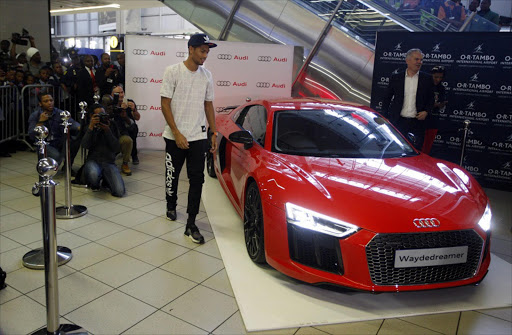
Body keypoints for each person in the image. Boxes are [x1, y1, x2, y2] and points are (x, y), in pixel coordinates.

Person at [160, 33, 218, 244]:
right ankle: (171, 204)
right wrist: (176, 133)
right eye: (202, 51)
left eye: (207, 52)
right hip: (174, 136)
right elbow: (165, 103)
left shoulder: (207, 75)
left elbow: (208, 104)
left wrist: (213, 132)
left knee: (197, 180)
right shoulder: (173, 71)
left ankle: (191, 223)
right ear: (191, 49)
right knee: (172, 175)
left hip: (198, 137)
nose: (205, 55)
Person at [382, 48, 433, 150]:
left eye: (421, 60)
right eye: (416, 59)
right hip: (398, 121)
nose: (419, 62)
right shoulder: (396, 77)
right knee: (394, 150)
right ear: (408, 60)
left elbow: (431, 99)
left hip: (417, 123)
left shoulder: (427, 78)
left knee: (415, 151)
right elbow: (387, 98)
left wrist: (426, 111)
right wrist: (385, 117)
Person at [80, 104, 125, 197]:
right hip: (93, 160)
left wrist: (108, 131)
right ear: (92, 116)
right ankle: (96, 182)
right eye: (98, 116)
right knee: (93, 174)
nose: (101, 118)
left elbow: (116, 148)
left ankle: (106, 179)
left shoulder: (112, 125)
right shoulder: (88, 127)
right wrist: (91, 127)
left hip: (109, 161)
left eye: (103, 115)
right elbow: (85, 145)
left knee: (119, 192)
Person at [28, 93, 81, 167]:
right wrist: (41, 121)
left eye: (51, 100)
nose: (50, 103)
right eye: (46, 101)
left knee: (74, 141)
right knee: (56, 156)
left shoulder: (60, 113)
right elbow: (31, 135)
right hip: (45, 143)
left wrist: (81, 127)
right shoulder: (35, 115)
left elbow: (72, 123)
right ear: (40, 104)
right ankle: (47, 166)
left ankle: (67, 167)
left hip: (59, 140)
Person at [111, 85, 140, 172]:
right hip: (114, 129)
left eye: (122, 92)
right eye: (117, 93)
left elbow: (137, 117)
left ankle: (128, 160)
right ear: (112, 94)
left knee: (133, 129)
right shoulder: (110, 103)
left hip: (128, 128)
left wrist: (134, 109)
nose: (120, 95)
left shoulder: (129, 102)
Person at [422, 66, 447, 154]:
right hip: (421, 120)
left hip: (433, 120)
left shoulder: (441, 89)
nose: (438, 79)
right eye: (436, 77)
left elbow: (442, 102)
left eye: (440, 77)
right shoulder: (424, 86)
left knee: (427, 147)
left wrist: (440, 104)